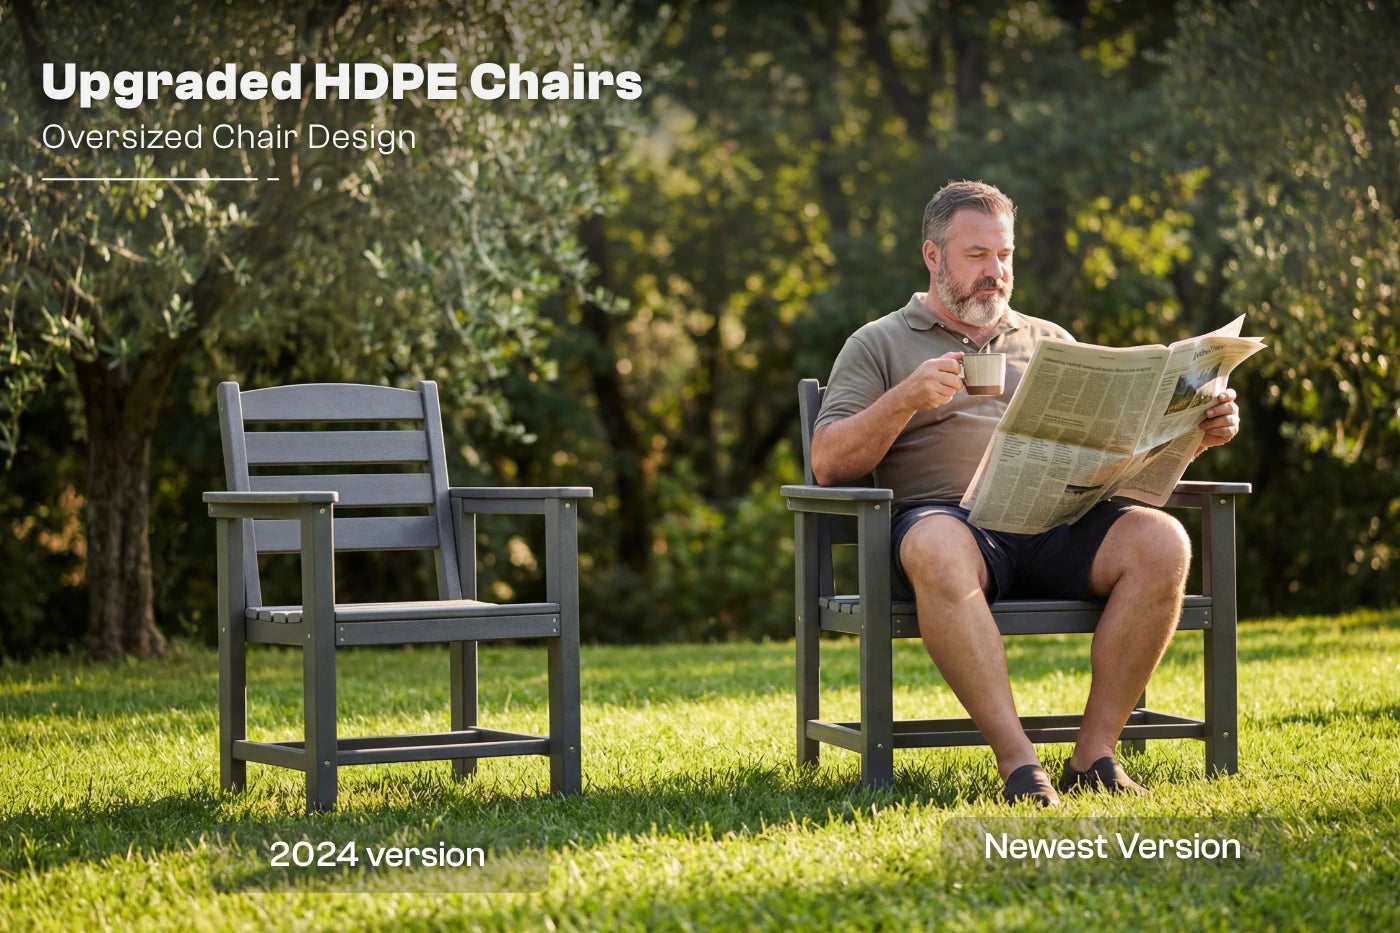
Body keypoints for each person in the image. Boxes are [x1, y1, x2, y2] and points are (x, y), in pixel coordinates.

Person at [810, 180, 1241, 806]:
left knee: (1163, 541)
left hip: (1056, 522)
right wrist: (904, 398)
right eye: (977, 255)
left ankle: (1094, 757)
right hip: (949, 528)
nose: (996, 272)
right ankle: (1020, 766)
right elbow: (826, 464)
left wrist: (1197, 433)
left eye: (1004, 256)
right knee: (936, 544)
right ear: (933, 257)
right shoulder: (879, 342)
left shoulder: (1049, 341)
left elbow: (1117, 452)